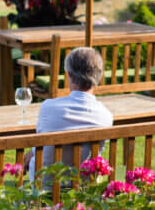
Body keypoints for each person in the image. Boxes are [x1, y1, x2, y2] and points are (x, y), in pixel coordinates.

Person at [30, 47, 113, 180]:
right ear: (99, 76)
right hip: (84, 191)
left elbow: (39, 149)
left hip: (44, 192)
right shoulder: (106, 116)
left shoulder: (48, 107)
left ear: (68, 74)